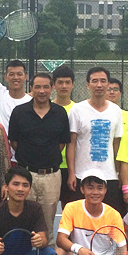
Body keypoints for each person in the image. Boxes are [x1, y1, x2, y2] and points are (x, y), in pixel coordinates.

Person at [8, 72, 70, 247]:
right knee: (22, 220)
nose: (42, 91)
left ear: (52, 88)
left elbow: (61, 144)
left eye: (45, 87)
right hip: (25, 175)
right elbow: (14, 142)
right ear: (31, 88)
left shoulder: (60, 113)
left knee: (47, 223)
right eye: (37, 87)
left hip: (51, 176)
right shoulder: (19, 112)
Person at [66, 67, 125, 214]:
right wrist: (72, 173)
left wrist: (118, 173)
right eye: (95, 81)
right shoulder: (77, 110)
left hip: (109, 176)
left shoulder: (116, 111)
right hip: (82, 175)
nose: (99, 85)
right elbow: (71, 144)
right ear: (88, 84)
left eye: (103, 81)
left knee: (108, 218)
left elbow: (116, 145)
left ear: (108, 84)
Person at [0, 43, 32, 130]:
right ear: (6, 77)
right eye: (11, 74)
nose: (16, 77)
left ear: (25, 77)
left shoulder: (32, 101)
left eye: (19, 74)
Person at [52, 65, 79, 207]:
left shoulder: (79, 110)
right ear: (54, 85)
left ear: (73, 85)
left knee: (70, 208)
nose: (64, 86)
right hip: (52, 167)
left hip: (73, 168)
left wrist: (72, 171)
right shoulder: (46, 108)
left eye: (67, 82)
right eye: (60, 82)